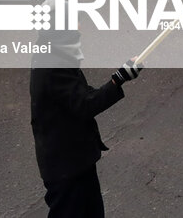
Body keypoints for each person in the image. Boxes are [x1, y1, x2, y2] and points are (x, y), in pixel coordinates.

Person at [30, 33, 142, 218]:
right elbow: (85, 104)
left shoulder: (52, 52)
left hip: (74, 161)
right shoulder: (53, 64)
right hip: (66, 166)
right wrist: (119, 78)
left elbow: (78, 96)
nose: (79, 26)